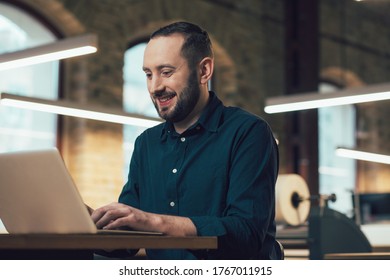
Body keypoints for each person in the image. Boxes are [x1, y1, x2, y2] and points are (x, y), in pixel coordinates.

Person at [91, 21, 280, 260]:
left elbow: (246, 234)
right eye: (148, 74)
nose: (155, 87)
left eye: (166, 72)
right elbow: (128, 241)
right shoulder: (145, 144)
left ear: (204, 71)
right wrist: (90, 225)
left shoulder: (248, 133)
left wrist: (155, 222)